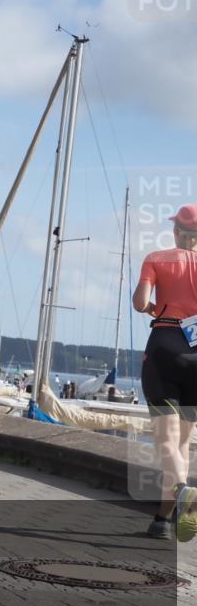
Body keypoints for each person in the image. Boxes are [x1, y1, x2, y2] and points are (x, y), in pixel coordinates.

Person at [133, 204, 197, 541]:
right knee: (183, 442)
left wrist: (157, 305)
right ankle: (162, 520)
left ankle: (185, 492)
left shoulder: (156, 258)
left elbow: (141, 302)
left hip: (165, 347)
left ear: (177, 231)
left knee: (165, 442)